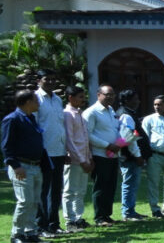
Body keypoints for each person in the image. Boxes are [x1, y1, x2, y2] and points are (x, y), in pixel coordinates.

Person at [4, 90, 48, 242]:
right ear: (28, 102)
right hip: (21, 167)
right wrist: (15, 166)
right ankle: (17, 235)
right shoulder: (12, 119)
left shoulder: (31, 118)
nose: (39, 103)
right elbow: (6, 146)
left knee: (34, 201)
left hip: (35, 166)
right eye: (36, 100)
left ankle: (30, 232)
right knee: (24, 201)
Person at [33, 71, 66, 237]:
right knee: (43, 190)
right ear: (38, 80)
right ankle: (41, 226)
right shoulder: (35, 98)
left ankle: (54, 224)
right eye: (47, 79)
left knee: (56, 190)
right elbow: (33, 125)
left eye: (54, 79)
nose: (51, 82)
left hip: (59, 150)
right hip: (44, 151)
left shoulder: (57, 99)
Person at [83, 85, 120, 226]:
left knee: (111, 186)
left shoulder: (111, 110)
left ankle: (107, 215)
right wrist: (107, 145)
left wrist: (119, 143)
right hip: (100, 155)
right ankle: (99, 217)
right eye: (107, 94)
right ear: (98, 95)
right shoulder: (91, 112)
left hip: (113, 155)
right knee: (101, 186)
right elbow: (87, 134)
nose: (110, 97)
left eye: (112, 94)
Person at [60, 86, 92, 231]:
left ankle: (78, 218)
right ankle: (70, 221)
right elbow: (69, 140)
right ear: (70, 98)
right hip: (74, 159)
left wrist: (89, 157)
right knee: (70, 191)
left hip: (84, 158)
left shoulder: (80, 113)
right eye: (80, 97)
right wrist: (81, 160)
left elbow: (85, 138)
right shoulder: (68, 114)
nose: (83, 99)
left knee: (81, 191)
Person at [142, 95, 164, 218]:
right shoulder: (149, 119)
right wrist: (146, 156)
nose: (156, 107)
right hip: (155, 155)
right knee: (153, 183)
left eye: (159, 104)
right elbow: (144, 138)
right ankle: (155, 209)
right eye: (155, 104)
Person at [115, 89, 145, 221]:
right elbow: (128, 138)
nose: (138, 101)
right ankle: (127, 212)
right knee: (129, 184)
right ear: (127, 100)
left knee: (132, 184)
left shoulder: (127, 113)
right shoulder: (126, 116)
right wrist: (138, 156)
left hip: (130, 156)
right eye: (135, 99)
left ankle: (131, 210)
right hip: (130, 157)